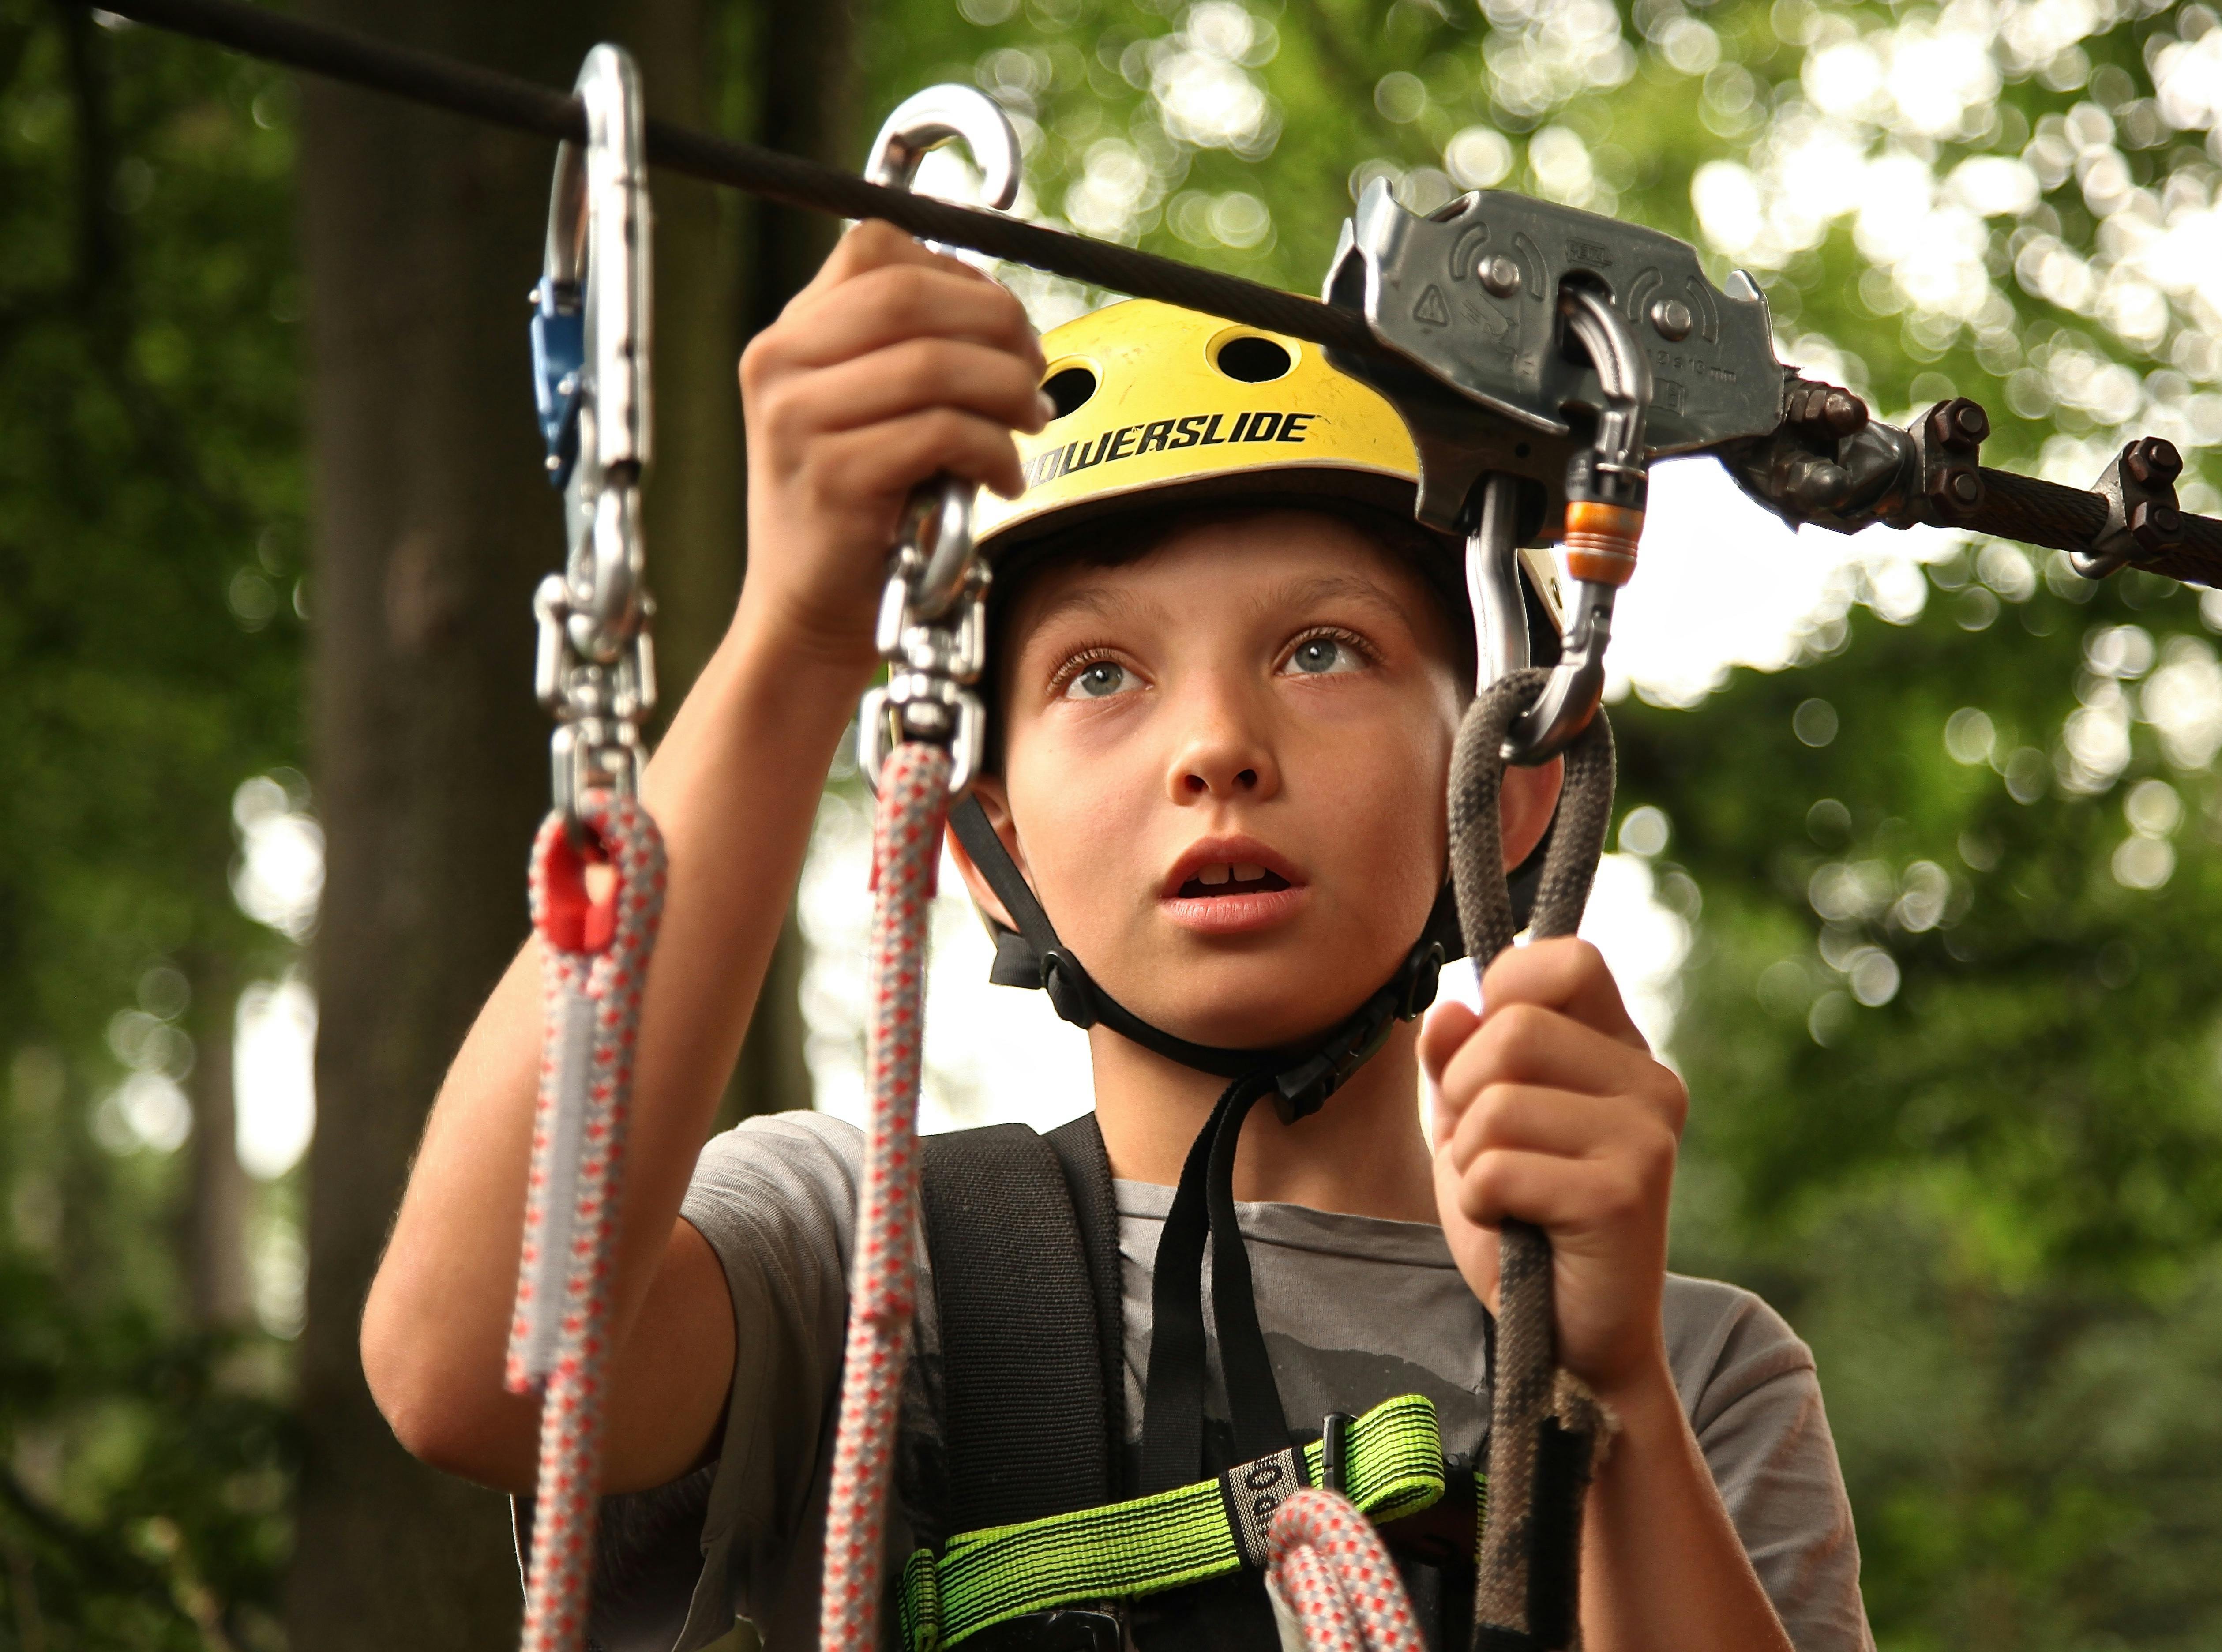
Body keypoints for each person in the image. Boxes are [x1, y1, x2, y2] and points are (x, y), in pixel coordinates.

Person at [359, 220, 1874, 1652]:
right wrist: (799, 630)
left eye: (1323, 650)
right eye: (1098, 675)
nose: (1216, 745)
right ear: (990, 845)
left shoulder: (1701, 1378)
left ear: (1509, 780)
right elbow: (478, 1369)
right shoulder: (868, 1267)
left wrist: (1599, 1393)